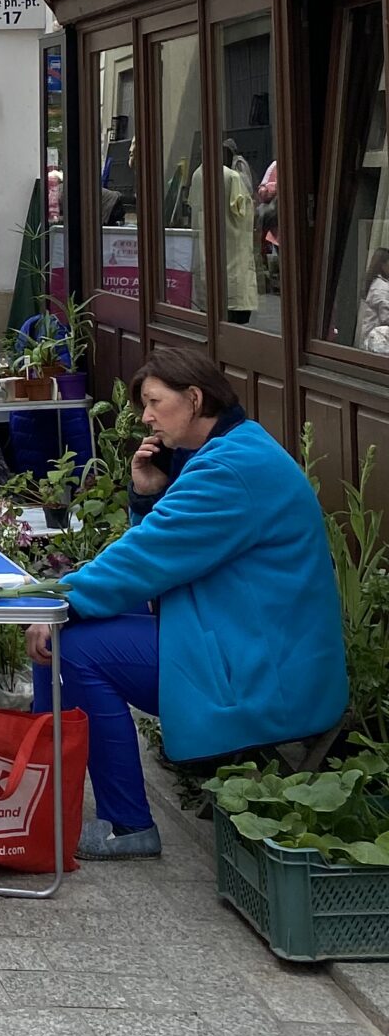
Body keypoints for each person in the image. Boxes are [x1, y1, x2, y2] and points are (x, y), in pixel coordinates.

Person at [27, 346, 347, 861]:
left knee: (74, 647)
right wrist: (149, 496)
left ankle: (126, 825)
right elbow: (163, 553)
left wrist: (63, 601)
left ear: (194, 399)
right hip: (245, 639)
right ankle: (42, 795)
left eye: (154, 403)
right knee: (63, 634)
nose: (147, 418)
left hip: (266, 671)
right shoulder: (230, 452)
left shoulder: (230, 470)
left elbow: (149, 558)